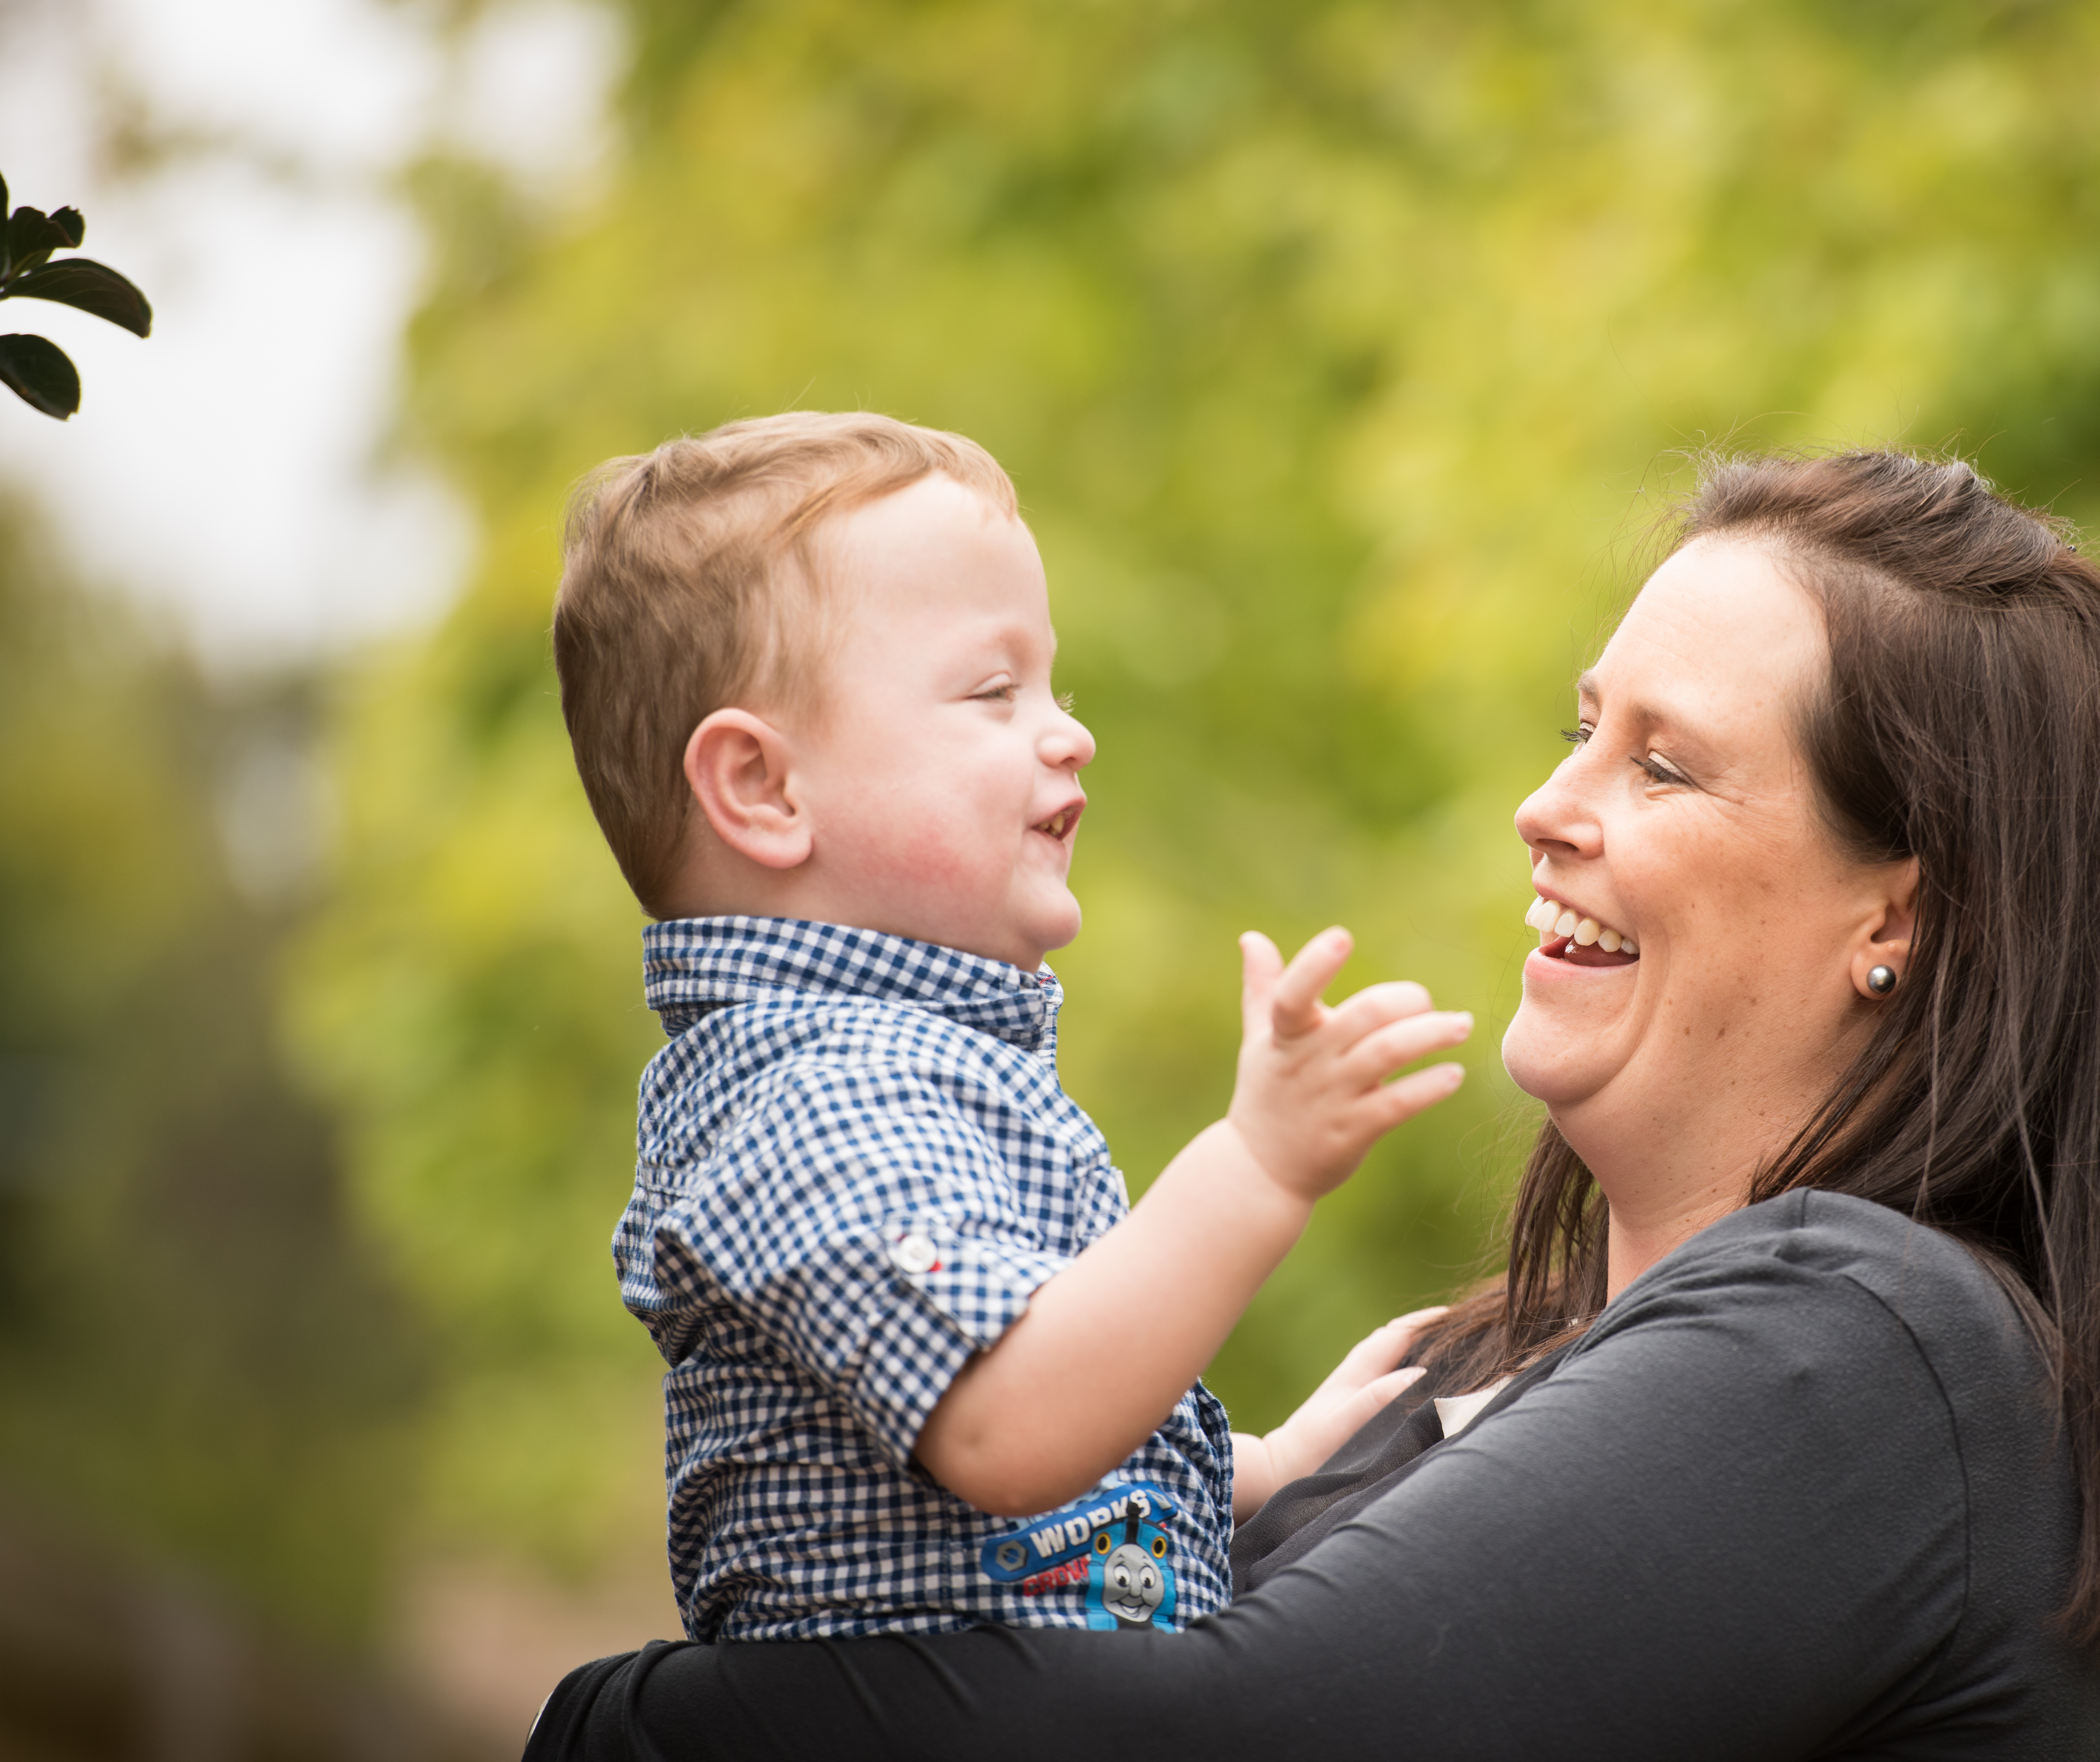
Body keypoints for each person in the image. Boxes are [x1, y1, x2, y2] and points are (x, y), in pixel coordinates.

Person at [517, 450, 2100, 1762]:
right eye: (1580, 729)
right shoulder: (1464, 1371)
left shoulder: (1875, 1361)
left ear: (1899, 916)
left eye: (1659, 763)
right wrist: (1253, 1465)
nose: (1542, 806)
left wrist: (611, 1758)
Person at [549, 411, 1470, 1643]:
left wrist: (1276, 1461)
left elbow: (1073, 1460)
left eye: (1055, 683)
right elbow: (1008, 1422)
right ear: (765, 791)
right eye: (994, 690)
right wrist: (1254, 1168)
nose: (1070, 729)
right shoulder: (814, 1100)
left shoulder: (910, 1072)